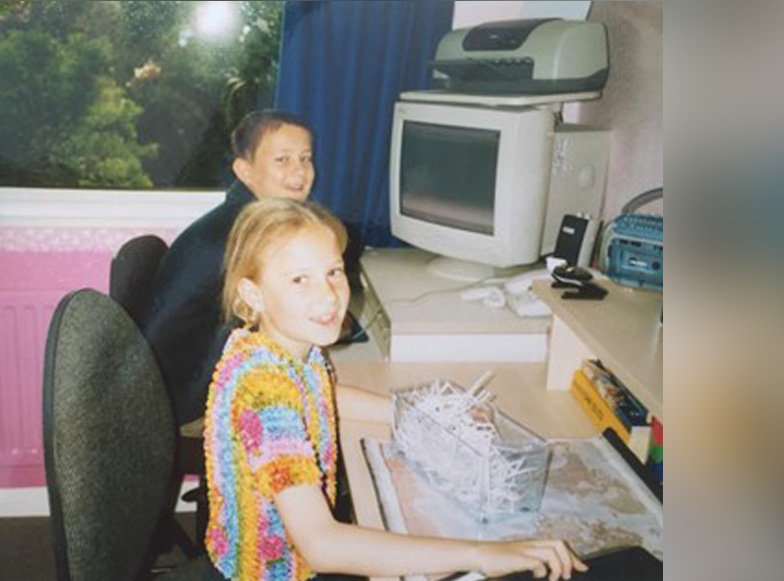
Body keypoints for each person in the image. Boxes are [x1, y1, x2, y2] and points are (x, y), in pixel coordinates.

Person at [202, 198, 588, 581]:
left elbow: (322, 397)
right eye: (299, 279)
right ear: (252, 294)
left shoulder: (285, 350)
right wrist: (481, 554)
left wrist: (421, 418)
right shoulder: (263, 390)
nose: (327, 296)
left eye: (333, 271)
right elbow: (320, 546)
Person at [139, 109, 317, 428]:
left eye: (305, 158)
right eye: (283, 160)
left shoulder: (247, 218)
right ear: (245, 171)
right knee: (317, 403)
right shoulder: (249, 239)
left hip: (177, 377)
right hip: (182, 398)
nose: (300, 172)